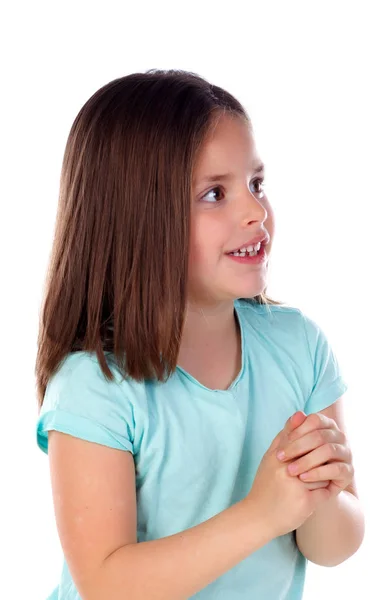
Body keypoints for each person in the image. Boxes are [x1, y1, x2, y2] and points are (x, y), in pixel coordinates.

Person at [35, 69, 363, 600]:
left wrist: (319, 492)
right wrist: (261, 515)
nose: (256, 212)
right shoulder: (94, 386)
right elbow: (104, 582)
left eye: (256, 185)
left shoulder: (299, 346)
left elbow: (334, 545)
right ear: (138, 219)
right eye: (215, 194)